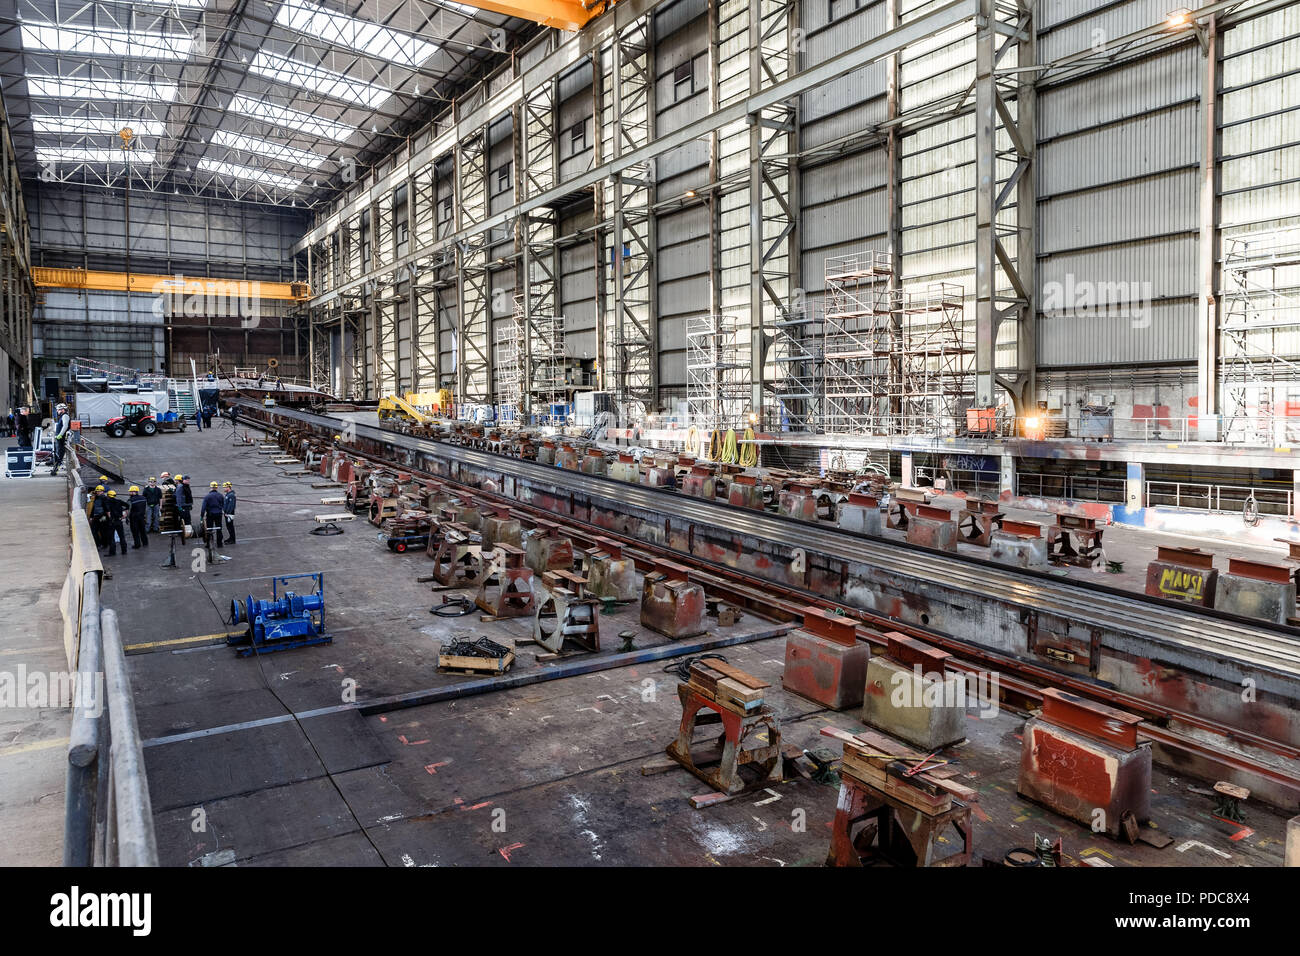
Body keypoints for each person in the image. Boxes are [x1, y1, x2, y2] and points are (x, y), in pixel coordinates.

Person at [201, 481, 226, 550]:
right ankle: (219, 544)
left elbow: (203, 508)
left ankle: (209, 544)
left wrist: (201, 516)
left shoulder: (207, 497)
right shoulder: (220, 495)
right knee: (219, 528)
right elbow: (224, 505)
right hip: (218, 514)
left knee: (209, 529)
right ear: (217, 487)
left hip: (210, 515)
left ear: (211, 487)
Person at [104, 490, 129, 557]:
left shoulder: (107, 502)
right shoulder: (119, 501)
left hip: (112, 522)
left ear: (108, 495)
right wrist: (124, 516)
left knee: (111, 537)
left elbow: (108, 512)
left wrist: (110, 519)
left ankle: (112, 552)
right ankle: (124, 551)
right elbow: (127, 505)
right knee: (122, 536)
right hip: (119, 521)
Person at [50, 403, 71, 473]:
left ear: (62, 410)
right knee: (57, 453)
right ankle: (55, 468)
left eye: (58, 410)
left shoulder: (65, 416)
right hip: (59, 437)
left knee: (60, 454)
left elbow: (65, 426)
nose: (57, 411)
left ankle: (56, 470)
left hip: (61, 438)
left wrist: (60, 435)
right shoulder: (62, 416)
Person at [88, 485, 109, 550]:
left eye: (99, 491)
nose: (98, 492)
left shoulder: (104, 499)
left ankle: (104, 544)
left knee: (103, 531)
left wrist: (107, 517)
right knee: (94, 531)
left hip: (103, 516)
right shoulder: (96, 498)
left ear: (102, 491)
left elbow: (107, 509)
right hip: (96, 516)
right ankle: (98, 544)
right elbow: (94, 508)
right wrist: (91, 517)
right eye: (97, 491)